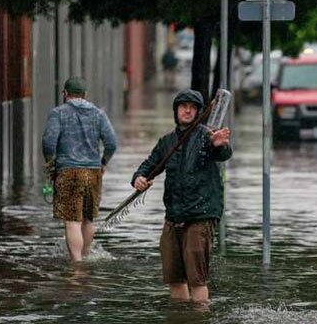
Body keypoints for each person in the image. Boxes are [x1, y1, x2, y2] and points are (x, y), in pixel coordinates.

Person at [131, 89, 232, 303]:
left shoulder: (207, 136)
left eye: (193, 107)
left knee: (197, 279)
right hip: (173, 218)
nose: (187, 110)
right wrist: (138, 178)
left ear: (198, 112)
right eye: (183, 106)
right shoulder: (167, 142)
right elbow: (149, 166)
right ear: (176, 111)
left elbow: (223, 153)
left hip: (200, 217)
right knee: (175, 279)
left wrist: (219, 144)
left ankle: (199, 316)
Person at [42, 77, 118, 262]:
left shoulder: (58, 113)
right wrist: (103, 163)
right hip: (93, 172)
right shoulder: (99, 114)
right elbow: (111, 143)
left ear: (65, 94)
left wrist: (51, 165)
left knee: (72, 221)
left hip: (68, 171)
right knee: (88, 219)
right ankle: (86, 255)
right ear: (85, 95)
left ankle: (76, 263)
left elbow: (48, 143)